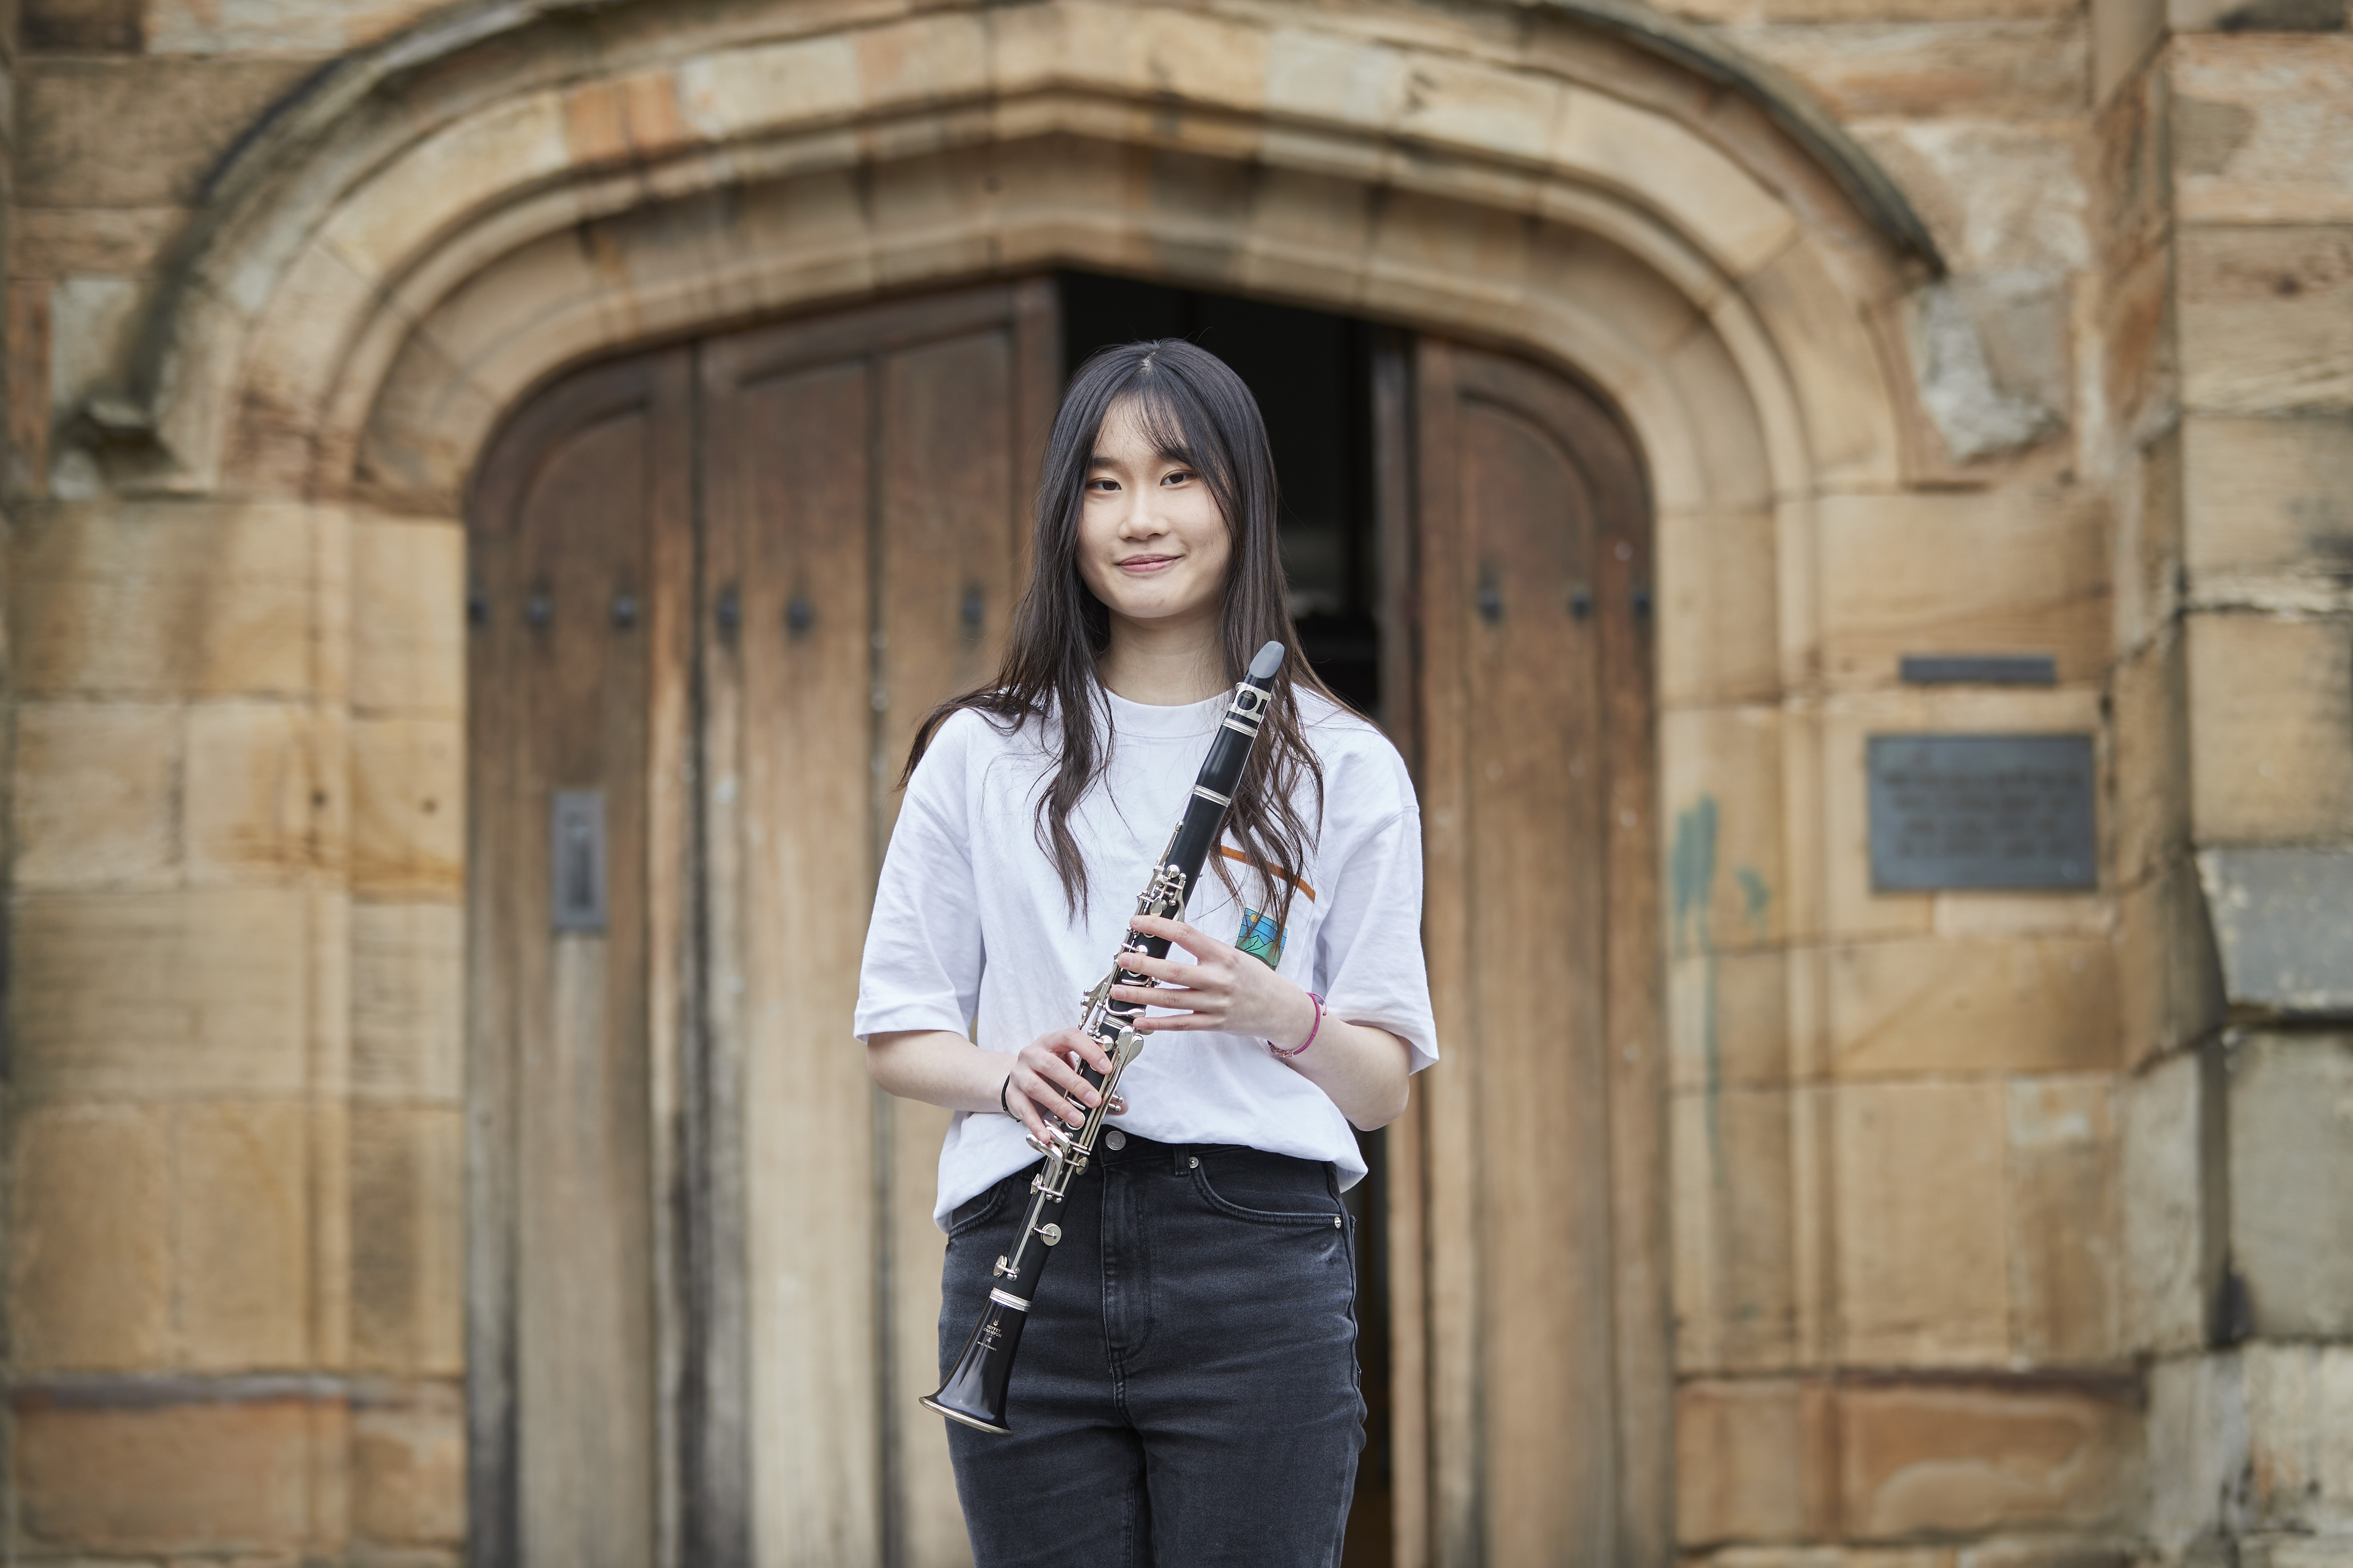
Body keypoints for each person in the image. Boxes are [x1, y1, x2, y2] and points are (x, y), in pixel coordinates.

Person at [855, 338, 1438, 1568]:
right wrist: (1006, 1076)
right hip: (1028, 1251)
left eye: (1178, 477)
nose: (1139, 518)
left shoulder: (1343, 763)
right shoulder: (982, 751)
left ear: (1241, 499)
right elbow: (897, 1032)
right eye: (1103, 484)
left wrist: (1276, 1011)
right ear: (1064, 514)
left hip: (1253, 1270)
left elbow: (1382, 1087)